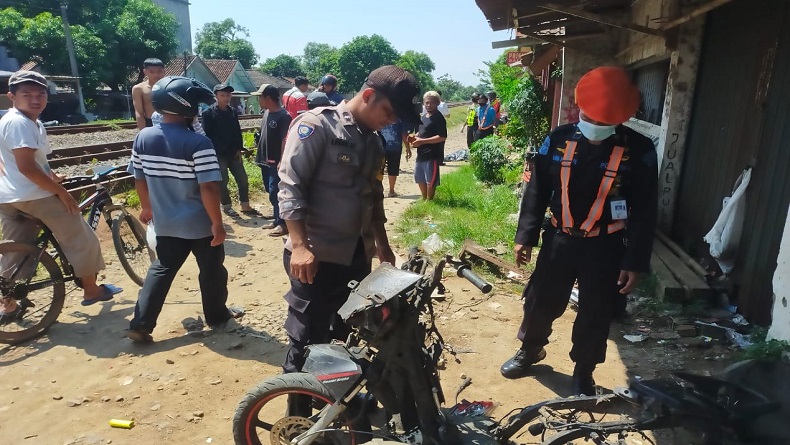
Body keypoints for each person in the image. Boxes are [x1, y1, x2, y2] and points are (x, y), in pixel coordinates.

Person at [500, 67, 658, 396]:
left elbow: (645, 209)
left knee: (596, 311)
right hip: (559, 238)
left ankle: (583, 370)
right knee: (540, 301)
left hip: (606, 246)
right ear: (580, 107)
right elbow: (537, 190)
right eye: (592, 118)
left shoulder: (640, 149)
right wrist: (524, 236)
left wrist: (635, 262)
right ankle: (530, 350)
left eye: (605, 122)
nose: (596, 126)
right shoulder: (558, 139)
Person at [277, 65, 420, 378]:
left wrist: (382, 247)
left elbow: (374, 197)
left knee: (345, 332)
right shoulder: (317, 126)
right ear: (368, 96)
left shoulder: (374, 142)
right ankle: (297, 412)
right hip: (315, 256)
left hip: (356, 256)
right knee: (307, 338)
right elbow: (290, 185)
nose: (392, 120)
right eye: (389, 111)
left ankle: (332, 401)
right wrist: (299, 246)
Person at [125, 76, 242, 343]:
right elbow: (209, 189)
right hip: (200, 224)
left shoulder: (143, 137)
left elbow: (139, 178)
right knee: (212, 270)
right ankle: (217, 316)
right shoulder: (199, 144)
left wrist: (147, 207)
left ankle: (141, 324)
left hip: (166, 222)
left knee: (161, 269)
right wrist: (217, 224)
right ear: (187, 107)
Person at [0, 71, 121, 322]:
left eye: (40, 94)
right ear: (12, 96)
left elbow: (33, 162)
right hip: (32, 195)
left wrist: (54, 178)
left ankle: (8, 304)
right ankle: (91, 289)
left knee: (17, 252)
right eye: (27, 95)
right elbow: (26, 167)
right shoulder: (21, 123)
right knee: (81, 236)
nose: (35, 100)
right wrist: (61, 192)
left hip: (10, 198)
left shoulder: (19, 121)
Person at [201, 83, 259, 219]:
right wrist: (211, 154)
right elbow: (206, 135)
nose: (226, 98)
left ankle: (245, 204)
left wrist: (239, 148)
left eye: (228, 95)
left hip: (233, 152)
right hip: (218, 153)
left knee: (243, 178)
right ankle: (227, 206)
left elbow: (237, 131)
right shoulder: (208, 113)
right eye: (222, 95)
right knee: (223, 181)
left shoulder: (232, 111)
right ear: (215, 96)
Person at [252, 83, 292, 237]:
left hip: (275, 162)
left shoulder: (284, 116)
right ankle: (277, 218)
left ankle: (283, 223)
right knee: (270, 191)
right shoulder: (266, 113)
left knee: (277, 191)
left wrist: (282, 160)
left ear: (268, 98)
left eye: (260, 97)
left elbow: (285, 140)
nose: (258, 101)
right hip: (264, 159)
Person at [410, 91, 447, 200]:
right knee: (420, 177)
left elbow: (442, 136)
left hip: (433, 154)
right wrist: (415, 136)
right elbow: (422, 131)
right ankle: (424, 198)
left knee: (431, 179)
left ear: (438, 103)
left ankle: (429, 201)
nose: (428, 105)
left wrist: (422, 141)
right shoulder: (424, 116)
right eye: (426, 103)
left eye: (431, 103)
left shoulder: (438, 118)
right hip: (421, 153)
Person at [380, 119, 412, 197]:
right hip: (395, 148)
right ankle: (391, 191)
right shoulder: (400, 119)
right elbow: (404, 136)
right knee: (393, 169)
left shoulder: (381, 115)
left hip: (381, 147)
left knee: (379, 169)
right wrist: (408, 148)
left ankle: (378, 190)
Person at [132, 58, 165, 129]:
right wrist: (143, 132)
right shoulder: (138, 89)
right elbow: (139, 113)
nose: (156, 75)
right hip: (150, 124)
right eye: (151, 72)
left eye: (159, 71)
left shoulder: (171, 86)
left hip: (170, 123)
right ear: (145, 72)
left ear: (164, 71)